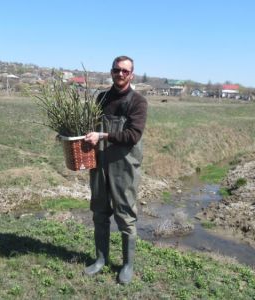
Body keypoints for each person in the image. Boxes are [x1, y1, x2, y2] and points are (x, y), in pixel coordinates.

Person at [84, 56, 147, 284]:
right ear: (111, 72)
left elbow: (133, 135)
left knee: (126, 216)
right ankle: (101, 260)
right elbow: (88, 125)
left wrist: (103, 135)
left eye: (124, 71)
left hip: (125, 166)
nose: (120, 74)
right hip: (100, 164)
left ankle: (127, 265)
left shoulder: (138, 101)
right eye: (116, 70)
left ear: (132, 74)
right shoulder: (101, 98)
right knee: (99, 212)